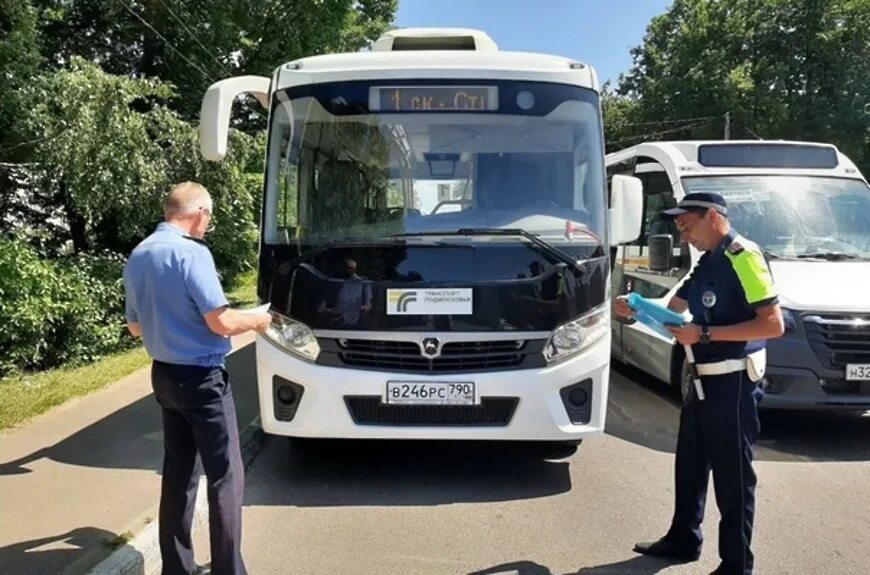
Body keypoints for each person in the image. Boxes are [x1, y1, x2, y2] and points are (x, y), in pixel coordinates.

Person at [613, 192, 784, 575]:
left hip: (733, 381)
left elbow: (773, 325)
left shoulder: (744, 256)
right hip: (701, 381)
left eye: (687, 226)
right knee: (690, 464)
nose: (684, 235)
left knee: (732, 476)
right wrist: (634, 308)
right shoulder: (708, 260)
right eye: (679, 229)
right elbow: (674, 311)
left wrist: (703, 334)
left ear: (712, 216)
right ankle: (683, 538)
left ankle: (736, 565)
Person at [123, 182, 271, 575]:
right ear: (199, 212)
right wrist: (257, 319)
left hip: (164, 377)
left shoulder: (139, 255)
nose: (209, 223)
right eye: (210, 216)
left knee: (178, 475)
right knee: (226, 476)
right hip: (203, 379)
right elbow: (220, 322)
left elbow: (135, 328)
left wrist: (170, 323)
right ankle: (228, 570)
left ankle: (177, 568)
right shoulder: (192, 254)